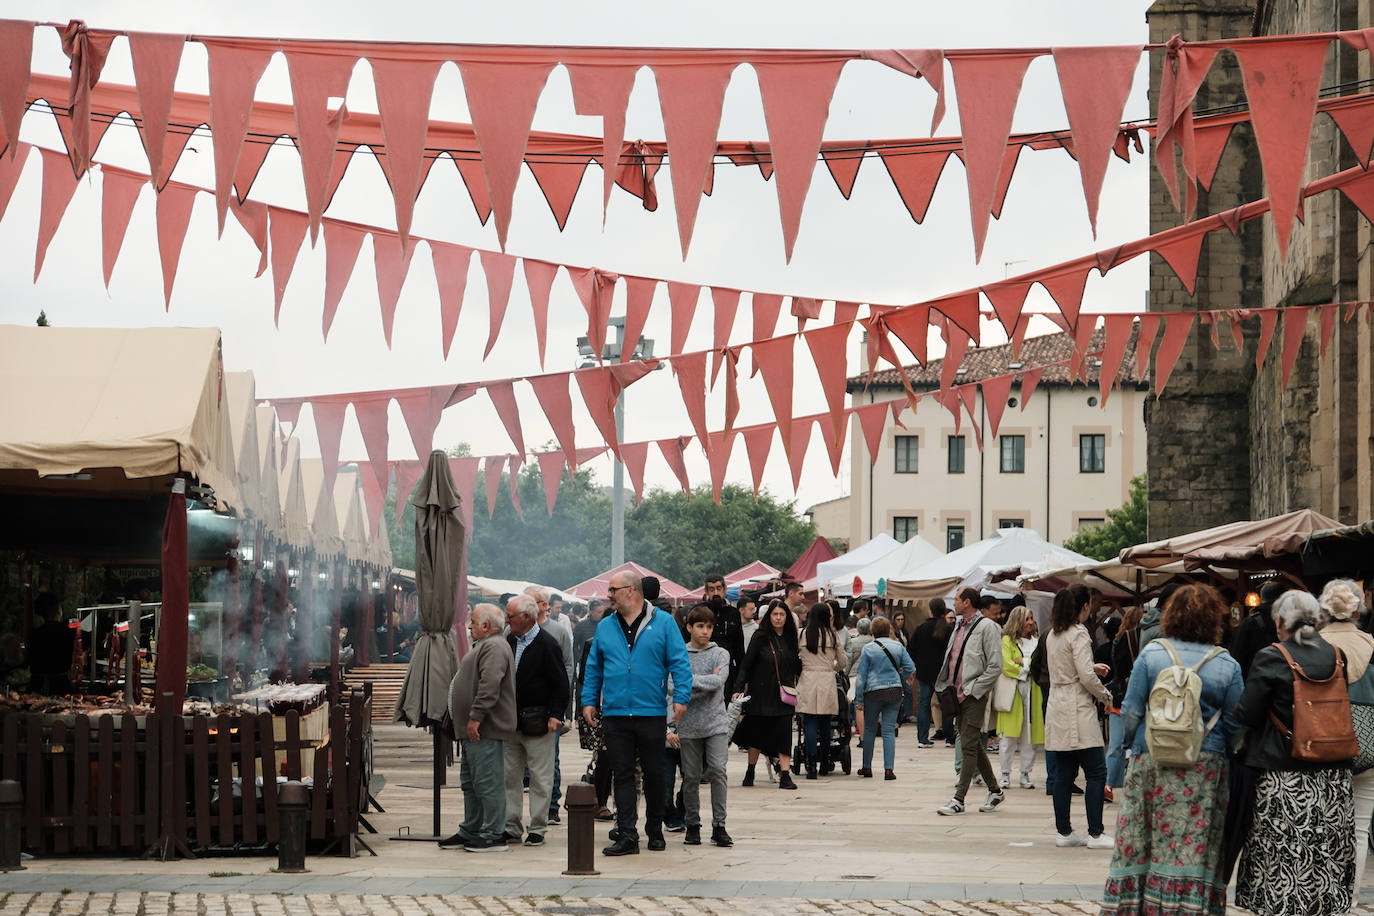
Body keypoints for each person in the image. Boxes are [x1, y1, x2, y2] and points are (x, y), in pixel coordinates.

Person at [1098, 584, 1243, 914]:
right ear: (1213, 619)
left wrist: (1135, 746)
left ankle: (1139, 905)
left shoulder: (1152, 654)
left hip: (1153, 757)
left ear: (1171, 615)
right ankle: (1190, 906)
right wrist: (1222, 747)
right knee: (1196, 841)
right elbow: (1237, 725)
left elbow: (1132, 710)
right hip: (1206, 765)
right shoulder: (1227, 664)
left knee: (1143, 839)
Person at [1234, 590, 1355, 915]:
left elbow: (1248, 713)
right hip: (1334, 781)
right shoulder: (1337, 654)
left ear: (1279, 622)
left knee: (1282, 863)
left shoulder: (1272, 656)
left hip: (1285, 779)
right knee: (1324, 858)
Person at [580, 571, 692, 856]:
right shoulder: (606, 626)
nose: (608, 594)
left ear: (631, 591)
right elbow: (594, 667)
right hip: (616, 712)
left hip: (651, 711)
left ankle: (655, 830)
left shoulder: (664, 623)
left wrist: (681, 697)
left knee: (655, 774)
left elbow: (679, 662)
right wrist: (588, 700)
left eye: (612, 589)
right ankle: (627, 834)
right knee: (623, 774)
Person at [1315, 578, 1374, 896]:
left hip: (1322, 743)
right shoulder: (1371, 644)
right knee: (1360, 828)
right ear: (1358, 611)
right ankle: (1350, 899)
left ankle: (1326, 894)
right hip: (1369, 744)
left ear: (1324, 610)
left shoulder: (1312, 647)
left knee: (1324, 825)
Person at [442, 603, 516, 852]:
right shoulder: (486, 645)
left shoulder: (494, 647)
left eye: (472, 621)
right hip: (473, 729)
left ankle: (494, 833)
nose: (469, 625)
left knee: (487, 782)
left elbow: (489, 685)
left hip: (485, 728)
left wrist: (475, 717)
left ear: (486, 625)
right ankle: (471, 829)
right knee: (471, 782)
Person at [1043, 584, 1114, 847]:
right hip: (1077, 707)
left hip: (1057, 704)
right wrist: (1105, 695)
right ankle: (1096, 832)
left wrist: (1090, 666)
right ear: (1083, 606)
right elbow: (1085, 676)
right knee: (1096, 771)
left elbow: (1067, 666)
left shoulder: (1054, 634)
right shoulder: (1079, 633)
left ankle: (1064, 832)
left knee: (1063, 774)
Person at [501, 595, 569, 848]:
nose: (507, 620)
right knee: (510, 776)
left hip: (538, 721)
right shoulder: (508, 640)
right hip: (510, 722)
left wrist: (556, 714)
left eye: (511, 616)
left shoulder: (547, 644)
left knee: (541, 778)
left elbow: (561, 683)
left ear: (526, 618)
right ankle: (511, 826)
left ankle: (538, 827)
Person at [936, 588, 1005, 815]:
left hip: (973, 695)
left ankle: (959, 799)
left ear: (967, 602)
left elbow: (995, 666)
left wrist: (975, 689)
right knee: (972, 742)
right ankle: (995, 790)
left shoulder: (988, 627)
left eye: (956, 599)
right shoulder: (958, 625)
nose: (953, 603)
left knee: (967, 745)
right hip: (956, 694)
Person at [674, 605, 733, 847]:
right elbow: (672, 685)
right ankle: (692, 824)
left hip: (716, 722)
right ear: (689, 627)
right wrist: (700, 685)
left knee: (718, 770)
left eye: (709, 627)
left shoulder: (721, 653)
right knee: (690, 777)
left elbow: (720, 681)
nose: (705, 631)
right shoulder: (679, 654)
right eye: (700, 626)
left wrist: (690, 684)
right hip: (688, 724)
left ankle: (719, 825)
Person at [731, 599, 801, 790]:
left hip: (783, 694)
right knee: (756, 734)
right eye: (775, 614)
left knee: (785, 734)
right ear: (768, 617)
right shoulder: (760, 637)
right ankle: (750, 770)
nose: (778, 618)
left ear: (787, 617)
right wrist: (738, 688)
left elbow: (796, 665)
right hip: (760, 692)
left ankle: (785, 774)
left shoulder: (790, 638)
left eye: (782, 615)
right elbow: (746, 665)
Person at [523, 585, 574, 826]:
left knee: (550, 758)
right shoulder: (513, 632)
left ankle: (552, 807)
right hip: (521, 708)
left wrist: (560, 706)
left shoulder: (557, 632)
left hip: (548, 707)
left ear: (543, 605)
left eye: (531, 602)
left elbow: (568, 667)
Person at [852, 615, 914, 779]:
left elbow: (861, 677)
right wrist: (901, 678)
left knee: (870, 730)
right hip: (894, 691)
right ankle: (889, 769)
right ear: (889, 630)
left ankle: (867, 767)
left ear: (872, 631)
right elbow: (910, 667)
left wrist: (858, 699)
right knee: (888, 730)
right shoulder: (898, 646)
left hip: (873, 692)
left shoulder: (868, 649)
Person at [797, 603, 846, 779]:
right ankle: (824, 762)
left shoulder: (802, 634)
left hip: (808, 679)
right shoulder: (832, 636)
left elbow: (795, 656)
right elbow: (843, 662)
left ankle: (811, 765)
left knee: (809, 722)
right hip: (826, 679)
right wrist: (831, 666)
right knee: (825, 724)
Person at [997, 606, 1043, 790]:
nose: (1030, 622)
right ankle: (1005, 774)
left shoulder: (1037, 642)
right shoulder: (1007, 641)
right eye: (1026, 619)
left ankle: (1025, 773)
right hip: (1013, 691)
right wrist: (1027, 666)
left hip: (1034, 691)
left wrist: (1023, 662)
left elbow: (1039, 664)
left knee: (1030, 735)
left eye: (1031, 618)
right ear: (1017, 621)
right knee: (1008, 735)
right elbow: (1006, 665)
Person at [1105, 605, 1145, 800]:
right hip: (1135, 698)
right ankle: (1125, 785)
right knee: (1135, 745)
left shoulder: (1117, 640)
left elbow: (1117, 671)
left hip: (1118, 698)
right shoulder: (1139, 640)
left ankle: (1108, 785)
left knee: (1116, 745)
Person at [910, 599, 954, 748]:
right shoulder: (948, 629)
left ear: (930, 610)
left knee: (923, 704)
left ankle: (922, 739)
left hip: (924, 672)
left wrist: (918, 665)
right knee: (946, 704)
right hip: (943, 672)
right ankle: (949, 737)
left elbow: (911, 649)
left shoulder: (921, 628)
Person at [1229, 579, 1288, 679]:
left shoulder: (1249, 622)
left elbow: (1238, 656)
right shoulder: (1290, 621)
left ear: (1262, 598)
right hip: (1286, 680)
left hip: (1256, 679)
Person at [26, 592, 74, 696]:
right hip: (60, 686)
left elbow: (29, 659)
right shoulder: (67, 632)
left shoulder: (34, 634)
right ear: (57, 609)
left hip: (36, 685)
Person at [703, 574, 745, 688]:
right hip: (704, 669)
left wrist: (742, 679)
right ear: (706, 591)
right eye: (712, 589)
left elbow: (739, 648)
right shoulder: (700, 612)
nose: (716, 593)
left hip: (728, 670)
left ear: (725, 589)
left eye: (718, 588)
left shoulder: (733, 613)